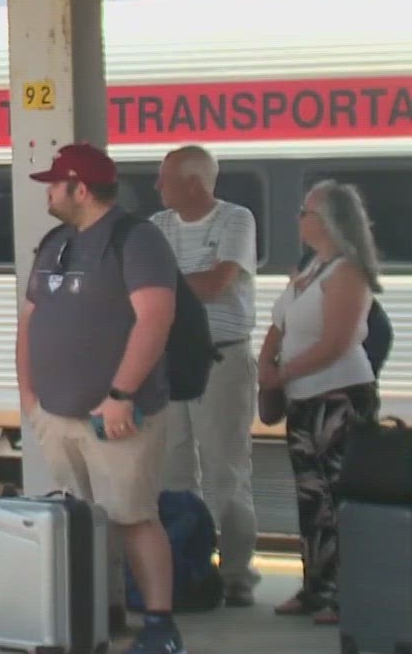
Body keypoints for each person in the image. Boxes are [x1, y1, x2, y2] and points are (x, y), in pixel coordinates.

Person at [18, 143, 186, 654]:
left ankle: (161, 626)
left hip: (113, 414)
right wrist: (30, 397)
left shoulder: (135, 240)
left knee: (133, 517)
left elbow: (155, 318)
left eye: (54, 183)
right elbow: (29, 320)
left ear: (80, 188)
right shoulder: (55, 243)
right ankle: (98, 615)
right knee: (81, 521)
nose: (48, 192)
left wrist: (121, 394)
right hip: (56, 414)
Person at [261, 179, 382, 626]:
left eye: (305, 212)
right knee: (311, 497)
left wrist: (283, 373)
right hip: (304, 400)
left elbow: (338, 342)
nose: (298, 220)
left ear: (327, 221)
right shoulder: (310, 270)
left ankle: (346, 592)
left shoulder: (347, 272)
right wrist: (266, 368)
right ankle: (316, 585)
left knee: (339, 495)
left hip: (338, 397)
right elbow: (280, 323)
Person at [150, 145, 260, 606]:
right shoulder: (158, 226)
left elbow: (218, 285)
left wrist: (166, 283)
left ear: (194, 182)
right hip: (170, 359)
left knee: (225, 469)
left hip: (223, 358)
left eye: (165, 177)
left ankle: (236, 575)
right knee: (172, 470)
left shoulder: (236, 219)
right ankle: (186, 564)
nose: (157, 186)